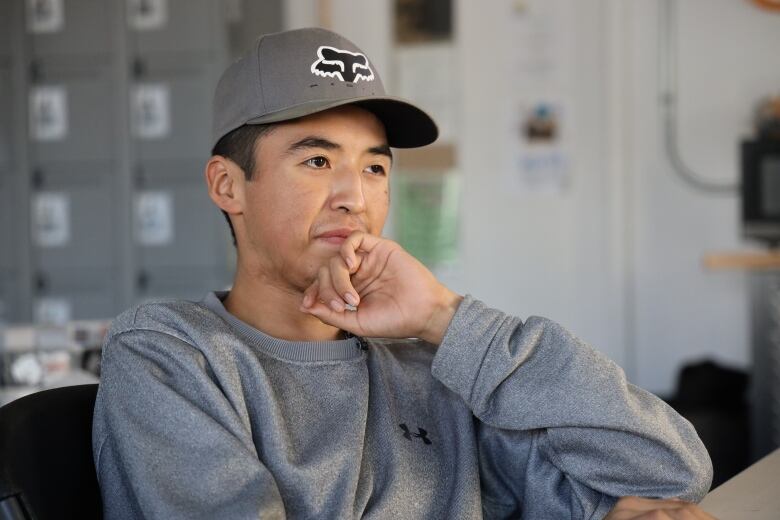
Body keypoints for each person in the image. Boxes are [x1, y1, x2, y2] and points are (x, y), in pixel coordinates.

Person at [92, 28, 715, 519]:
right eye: (315, 159)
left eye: (374, 169)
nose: (354, 199)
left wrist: (446, 318)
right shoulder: (170, 354)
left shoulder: (427, 372)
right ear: (228, 185)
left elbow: (665, 470)